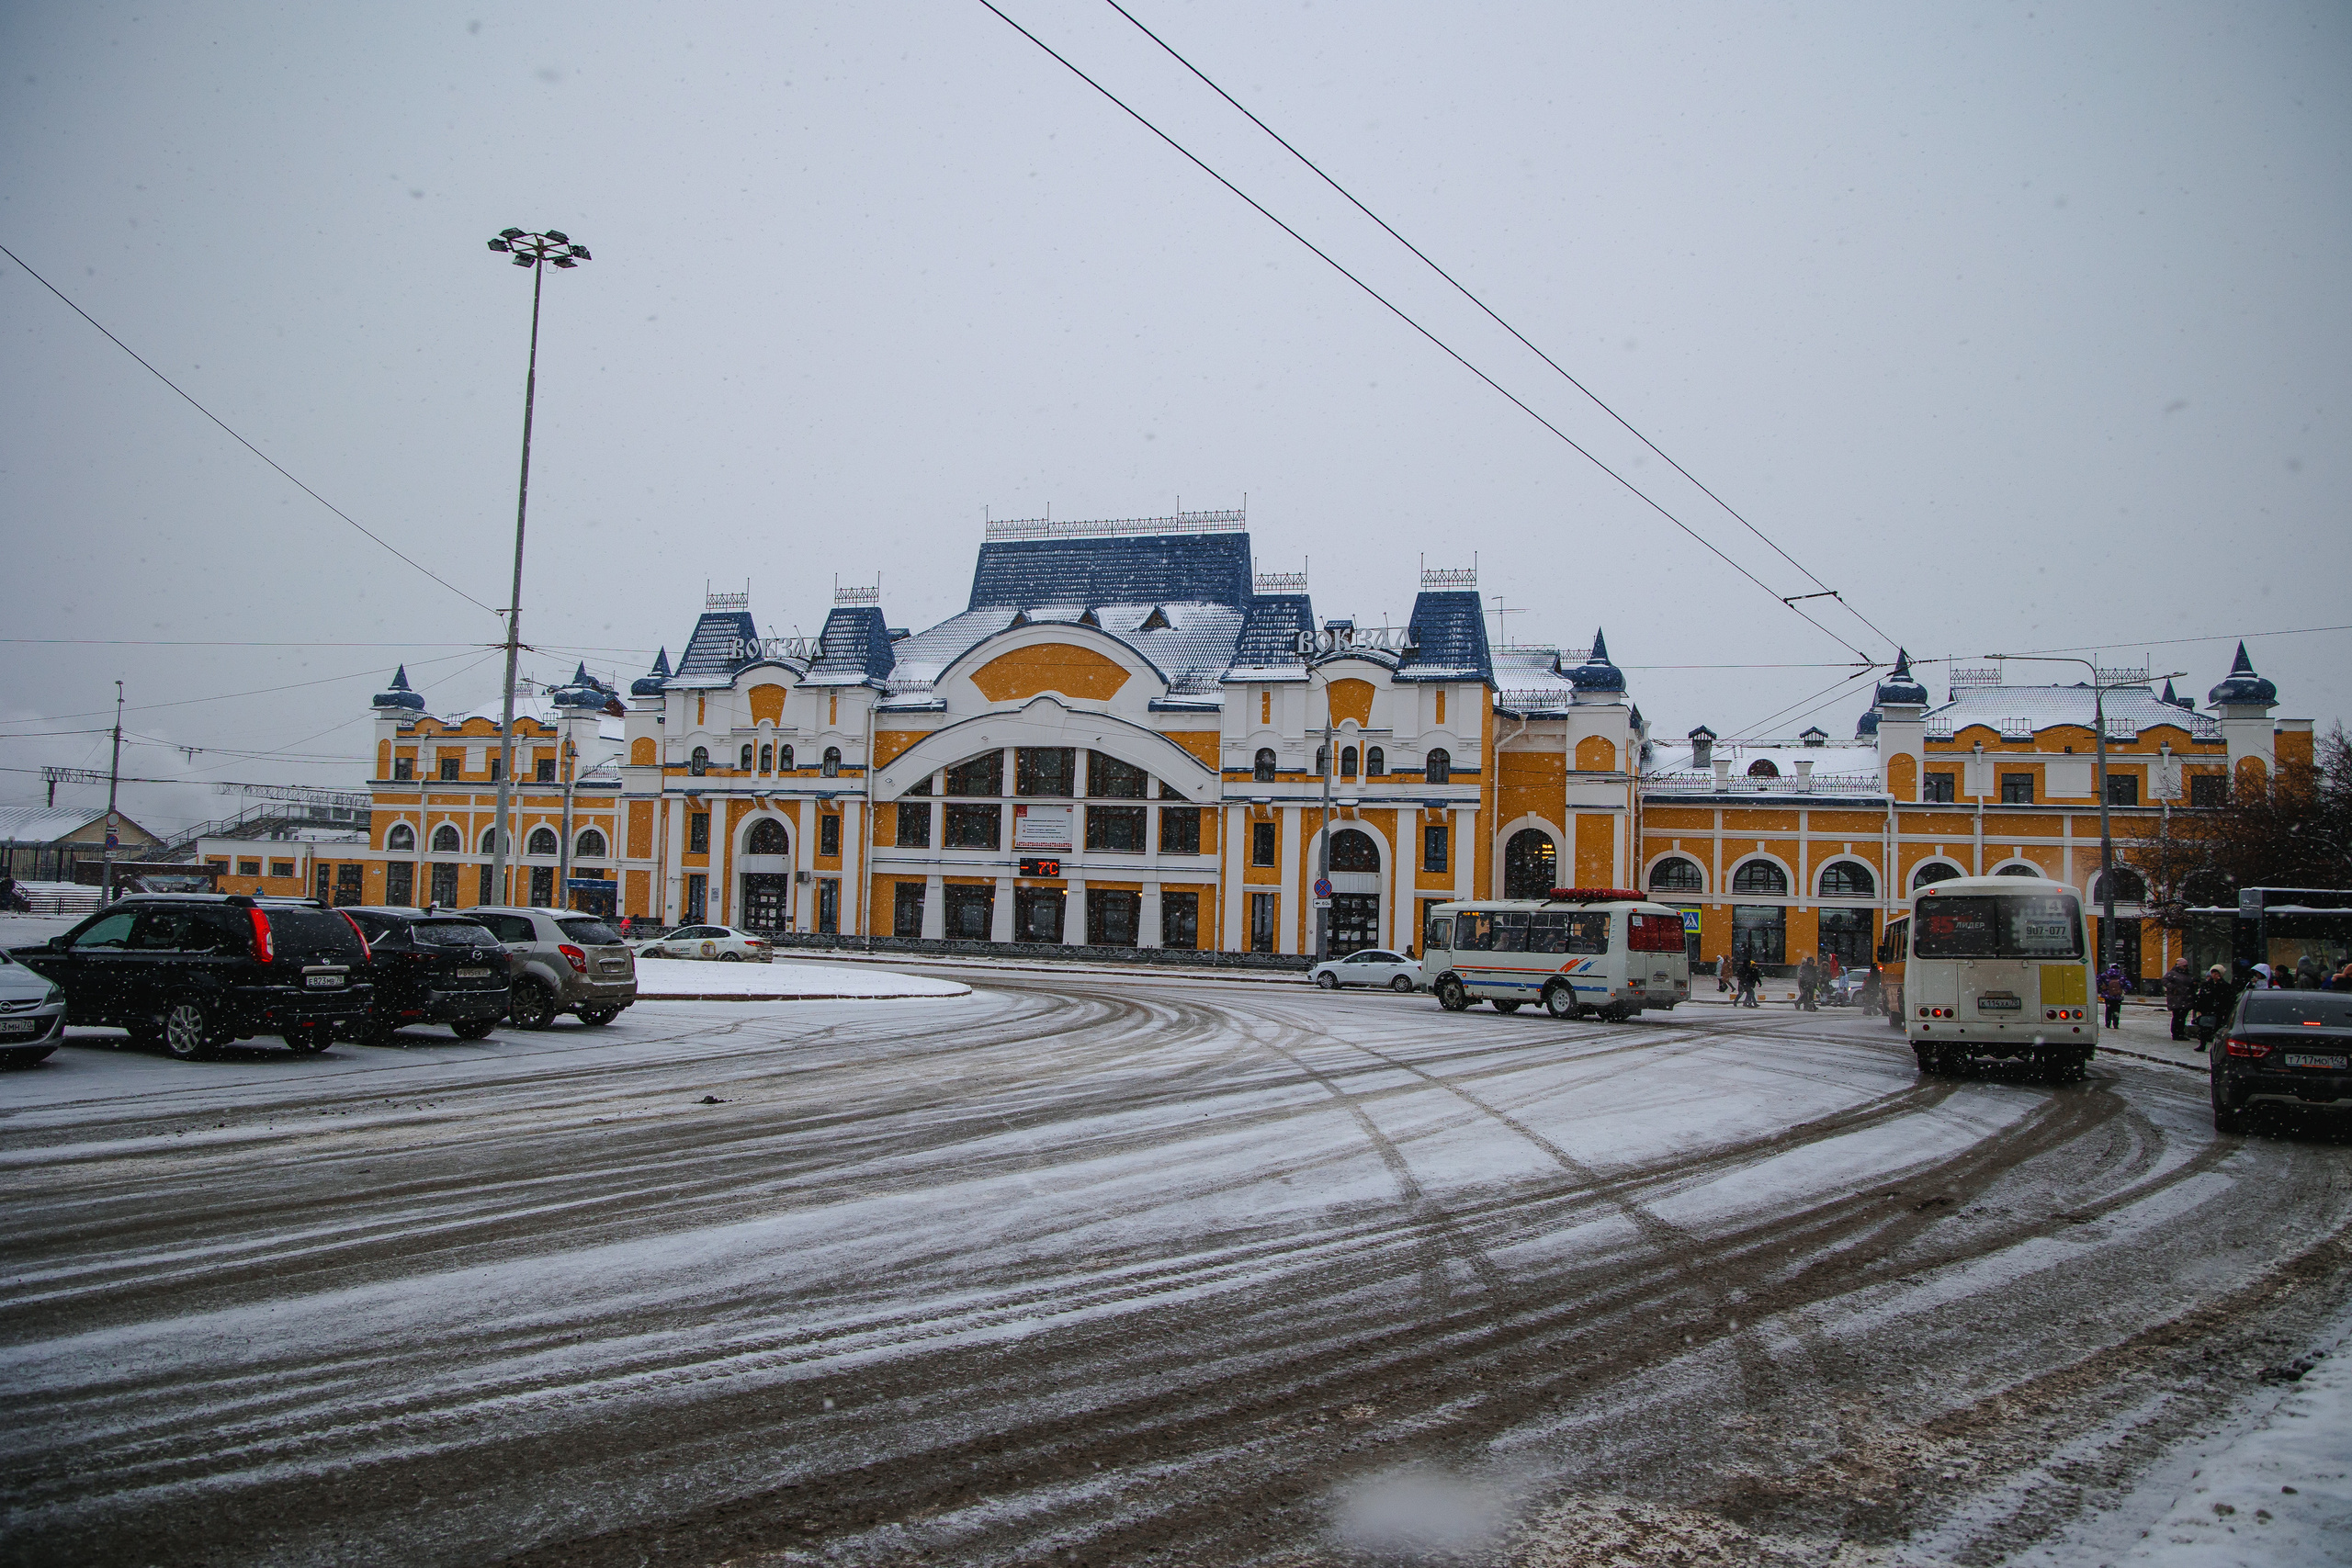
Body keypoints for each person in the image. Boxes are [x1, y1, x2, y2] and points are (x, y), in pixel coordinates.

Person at [2191, 964, 2235, 1051]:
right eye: (2213, 973)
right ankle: (2202, 1044)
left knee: (2216, 1029)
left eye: (2216, 973)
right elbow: (2200, 998)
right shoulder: (2206, 985)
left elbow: (2228, 1000)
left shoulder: (2225, 986)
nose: (2214, 975)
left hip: (2219, 1011)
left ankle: (2216, 1047)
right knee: (2204, 1028)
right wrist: (2198, 1009)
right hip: (2207, 1010)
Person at [2163, 958, 2196, 1041]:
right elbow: (2164, 981)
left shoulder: (2187, 974)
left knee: (2182, 1017)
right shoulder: (2172, 974)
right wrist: (2174, 988)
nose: (2185, 967)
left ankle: (2180, 1032)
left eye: (2186, 966)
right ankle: (2176, 1033)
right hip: (2177, 999)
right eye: (2184, 966)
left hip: (2185, 999)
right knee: (2178, 1016)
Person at [2098, 964, 2128, 1029]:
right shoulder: (2121, 976)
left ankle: (2108, 1024)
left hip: (2108, 995)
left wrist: (2102, 986)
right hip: (2118, 996)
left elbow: (2097, 980)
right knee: (2116, 1010)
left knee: (2108, 1010)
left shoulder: (2105, 975)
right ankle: (2116, 1024)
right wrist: (2123, 990)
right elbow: (2128, 985)